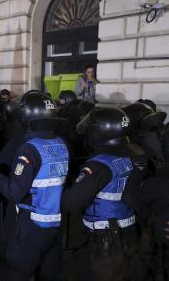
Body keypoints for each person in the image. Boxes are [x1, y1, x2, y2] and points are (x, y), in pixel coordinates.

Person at [0, 91, 69, 281]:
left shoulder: (29, 148)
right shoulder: (61, 143)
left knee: (15, 272)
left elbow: (14, 192)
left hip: (30, 224)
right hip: (54, 223)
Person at [61, 107, 146, 281]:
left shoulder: (98, 166)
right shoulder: (134, 154)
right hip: (129, 232)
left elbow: (70, 203)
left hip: (107, 241)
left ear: (99, 132)